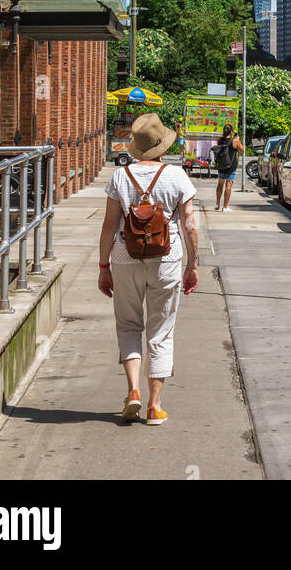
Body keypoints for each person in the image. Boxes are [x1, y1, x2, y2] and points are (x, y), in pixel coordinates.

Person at [98, 112, 198, 426]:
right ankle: (155, 406)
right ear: (161, 144)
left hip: (125, 259)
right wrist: (192, 264)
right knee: (161, 333)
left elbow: (109, 226)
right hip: (166, 261)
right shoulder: (177, 176)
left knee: (129, 326)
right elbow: (190, 225)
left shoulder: (119, 177)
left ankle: (133, 392)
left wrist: (104, 266)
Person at [213, 122, 244, 211]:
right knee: (228, 185)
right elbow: (242, 151)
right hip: (231, 166)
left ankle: (217, 203)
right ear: (231, 132)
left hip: (221, 165)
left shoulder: (220, 140)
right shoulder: (234, 141)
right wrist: (238, 140)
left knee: (220, 184)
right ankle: (225, 207)